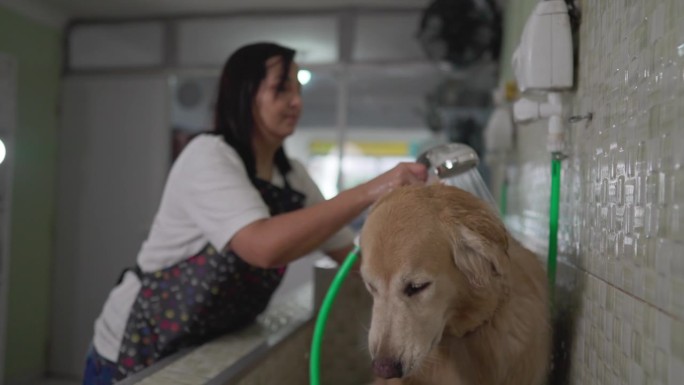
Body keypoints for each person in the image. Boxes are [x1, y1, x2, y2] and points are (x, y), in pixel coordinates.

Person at [82, 42, 427, 384]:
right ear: (245, 95)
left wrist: (424, 282)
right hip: (140, 341)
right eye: (281, 89)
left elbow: (353, 260)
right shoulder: (208, 156)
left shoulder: (292, 176)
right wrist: (371, 190)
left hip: (210, 344)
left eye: (298, 89)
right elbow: (262, 246)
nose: (296, 102)